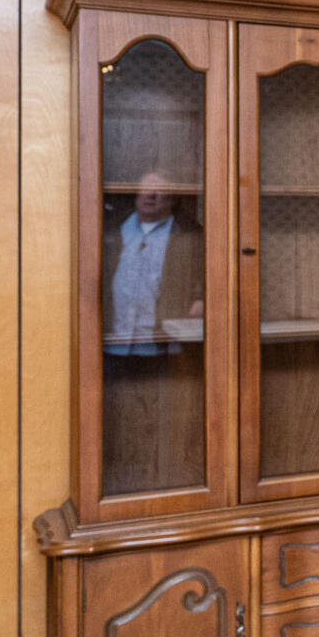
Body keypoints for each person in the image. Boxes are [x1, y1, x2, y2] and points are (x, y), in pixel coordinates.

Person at [102, 172, 206, 494]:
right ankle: (117, 478)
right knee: (115, 412)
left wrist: (200, 301)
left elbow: (207, 277)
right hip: (113, 340)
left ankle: (164, 478)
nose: (150, 197)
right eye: (144, 191)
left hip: (163, 342)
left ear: (173, 199)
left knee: (164, 414)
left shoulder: (189, 232)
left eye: (160, 192)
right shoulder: (111, 228)